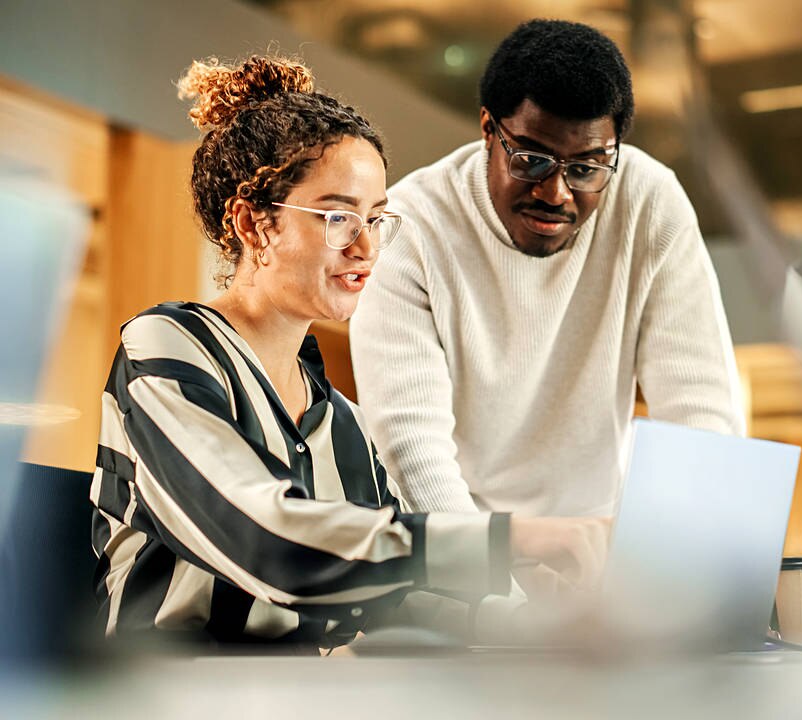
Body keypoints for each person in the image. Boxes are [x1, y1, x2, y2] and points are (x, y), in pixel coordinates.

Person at [89, 55, 607, 648]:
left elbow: (392, 594)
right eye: (338, 216)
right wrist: (506, 539)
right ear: (254, 225)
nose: (367, 247)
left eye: (378, 218)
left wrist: (537, 626)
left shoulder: (342, 422)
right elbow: (268, 544)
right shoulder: (167, 348)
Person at [350, 20, 746, 519]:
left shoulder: (649, 203)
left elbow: (702, 416)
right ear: (488, 130)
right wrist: (495, 583)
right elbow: (412, 452)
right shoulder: (412, 229)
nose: (556, 194)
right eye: (533, 161)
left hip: (596, 536)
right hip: (463, 543)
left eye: (585, 168)